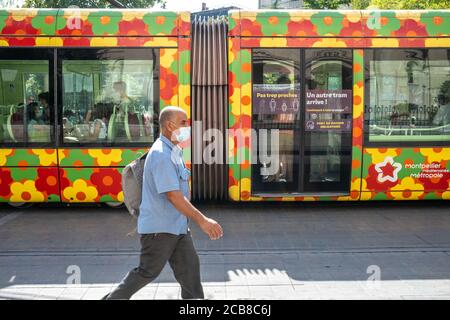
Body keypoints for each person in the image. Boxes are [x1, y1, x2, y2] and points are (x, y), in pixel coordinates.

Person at [103, 106, 223, 300]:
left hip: (177, 227)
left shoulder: (173, 151)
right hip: (159, 231)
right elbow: (173, 196)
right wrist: (202, 220)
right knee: (146, 272)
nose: (188, 126)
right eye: (184, 123)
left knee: (190, 271)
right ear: (169, 125)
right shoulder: (161, 154)